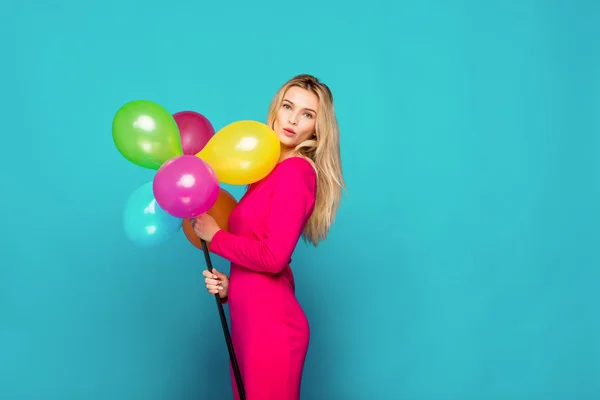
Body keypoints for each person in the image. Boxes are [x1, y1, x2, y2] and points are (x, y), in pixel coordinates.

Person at [191, 74, 345, 400]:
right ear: (276, 109)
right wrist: (232, 288)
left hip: (273, 332)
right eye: (288, 107)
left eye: (307, 114)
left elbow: (274, 257)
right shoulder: (265, 173)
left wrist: (217, 237)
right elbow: (260, 249)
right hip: (251, 325)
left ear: (317, 129)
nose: (292, 119)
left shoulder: (296, 171)